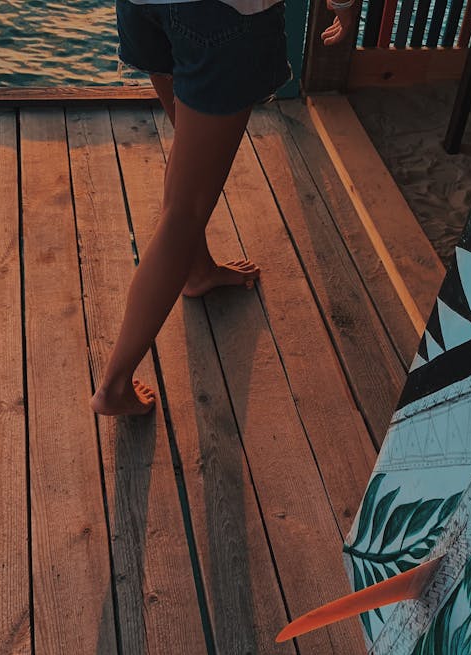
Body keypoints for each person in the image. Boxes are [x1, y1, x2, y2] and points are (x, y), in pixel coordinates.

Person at [91, 0, 359, 416]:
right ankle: (114, 386)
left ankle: (197, 271)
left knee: (187, 160)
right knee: (186, 207)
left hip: (143, 6)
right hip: (219, 16)